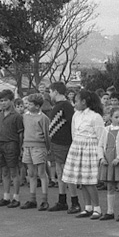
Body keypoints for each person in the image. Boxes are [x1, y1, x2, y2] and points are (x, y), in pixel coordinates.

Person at [63, 89, 105, 219]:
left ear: (84, 102)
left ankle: (97, 208)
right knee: (81, 180)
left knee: (89, 181)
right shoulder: (76, 115)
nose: (74, 103)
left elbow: (101, 137)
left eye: (76, 101)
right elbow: (73, 132)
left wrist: (100, 155)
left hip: (90, 149)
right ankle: (87, 207)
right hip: (77, 147)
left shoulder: (95, 116)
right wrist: (76, 146)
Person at [47, 82, 79, 213]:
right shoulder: (57, 106)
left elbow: (72, 124)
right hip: (56, 142)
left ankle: (75, 201)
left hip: (65, 143)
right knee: (60, 172)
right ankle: (62, 200)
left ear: (55, 91)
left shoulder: (66, 106)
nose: (49, 95)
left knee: (68, 173)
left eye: (50, 92)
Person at [98, 106, 119, 221]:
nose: (118, 119)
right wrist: (101, 158)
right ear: (110, 117)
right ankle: (110, 211)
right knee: (110, 186)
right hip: (108, 161)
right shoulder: (106, 129)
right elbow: (101, 145)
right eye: (116, 117)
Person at [0, 89, 24, 208]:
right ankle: (6, 196)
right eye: (1, 101)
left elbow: (20, 134)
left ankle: (16, 197)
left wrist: (20, 148)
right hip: (1, 144)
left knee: (13, 172)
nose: (3, 103)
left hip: (12, 144)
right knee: (4, 171)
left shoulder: (17, 116)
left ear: (11, 101)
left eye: (5, 100)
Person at [21, 93, 51, 210]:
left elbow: (47, 135)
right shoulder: (25, 116)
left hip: (39, 146)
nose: (27, 106)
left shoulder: (43, 118)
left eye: (30, 104)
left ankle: (44, 200)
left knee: (42, 173)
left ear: (38, 106)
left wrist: (48, 149)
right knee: (31, 173)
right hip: (27, 146)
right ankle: (32, 199)